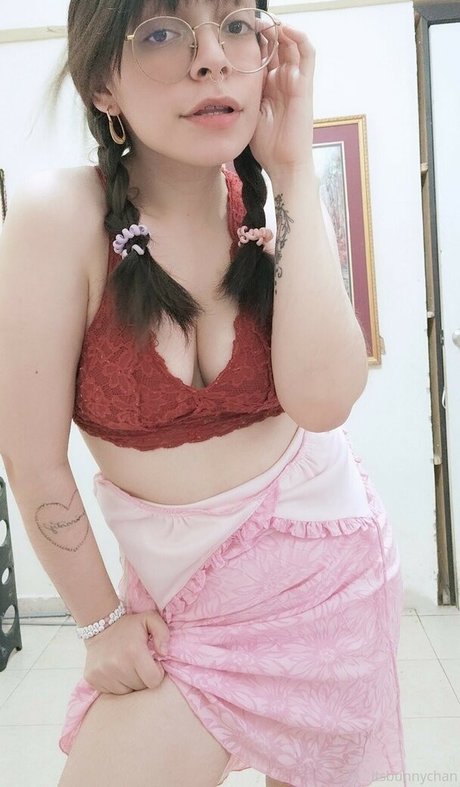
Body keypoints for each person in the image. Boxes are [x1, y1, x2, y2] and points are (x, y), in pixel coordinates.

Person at [0, 1, 407, 785]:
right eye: (162, 32)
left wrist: (292, 172)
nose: (211, 58)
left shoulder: (265, 216)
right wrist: (100, 621)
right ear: (103, 85)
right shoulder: (59, 218)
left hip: (333, 580)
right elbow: (29, 455)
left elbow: (326, 401)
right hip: (186, 613)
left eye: (235, 25)